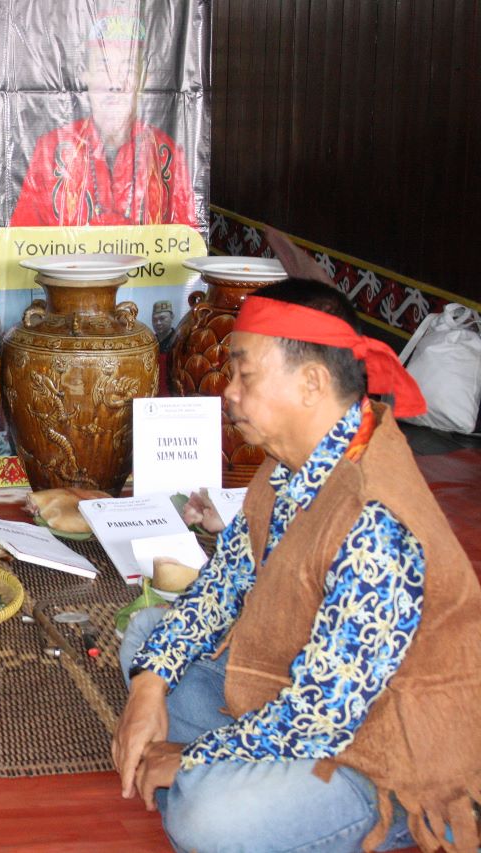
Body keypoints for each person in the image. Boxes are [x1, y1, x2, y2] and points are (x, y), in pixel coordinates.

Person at [113, 278, 481, 853]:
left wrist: (191, 755)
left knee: (208, 820)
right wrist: (147, 689)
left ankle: (382, 815)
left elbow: (322, 715)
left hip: (380, 747)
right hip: (300, 691)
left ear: (311, 382)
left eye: (244, 374)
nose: (228, 393)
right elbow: (218, 591)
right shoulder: (289, 466)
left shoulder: (375, 516)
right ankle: (231, 773)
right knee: (145, 639)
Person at [10, 11, 197, 228]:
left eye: (127, 69)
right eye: (103, 67)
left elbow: (186, 243)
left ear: (145, 79)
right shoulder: (50, 151)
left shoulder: (167, 155)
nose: (115, 84)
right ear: (84, 75)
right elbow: (23, 242)